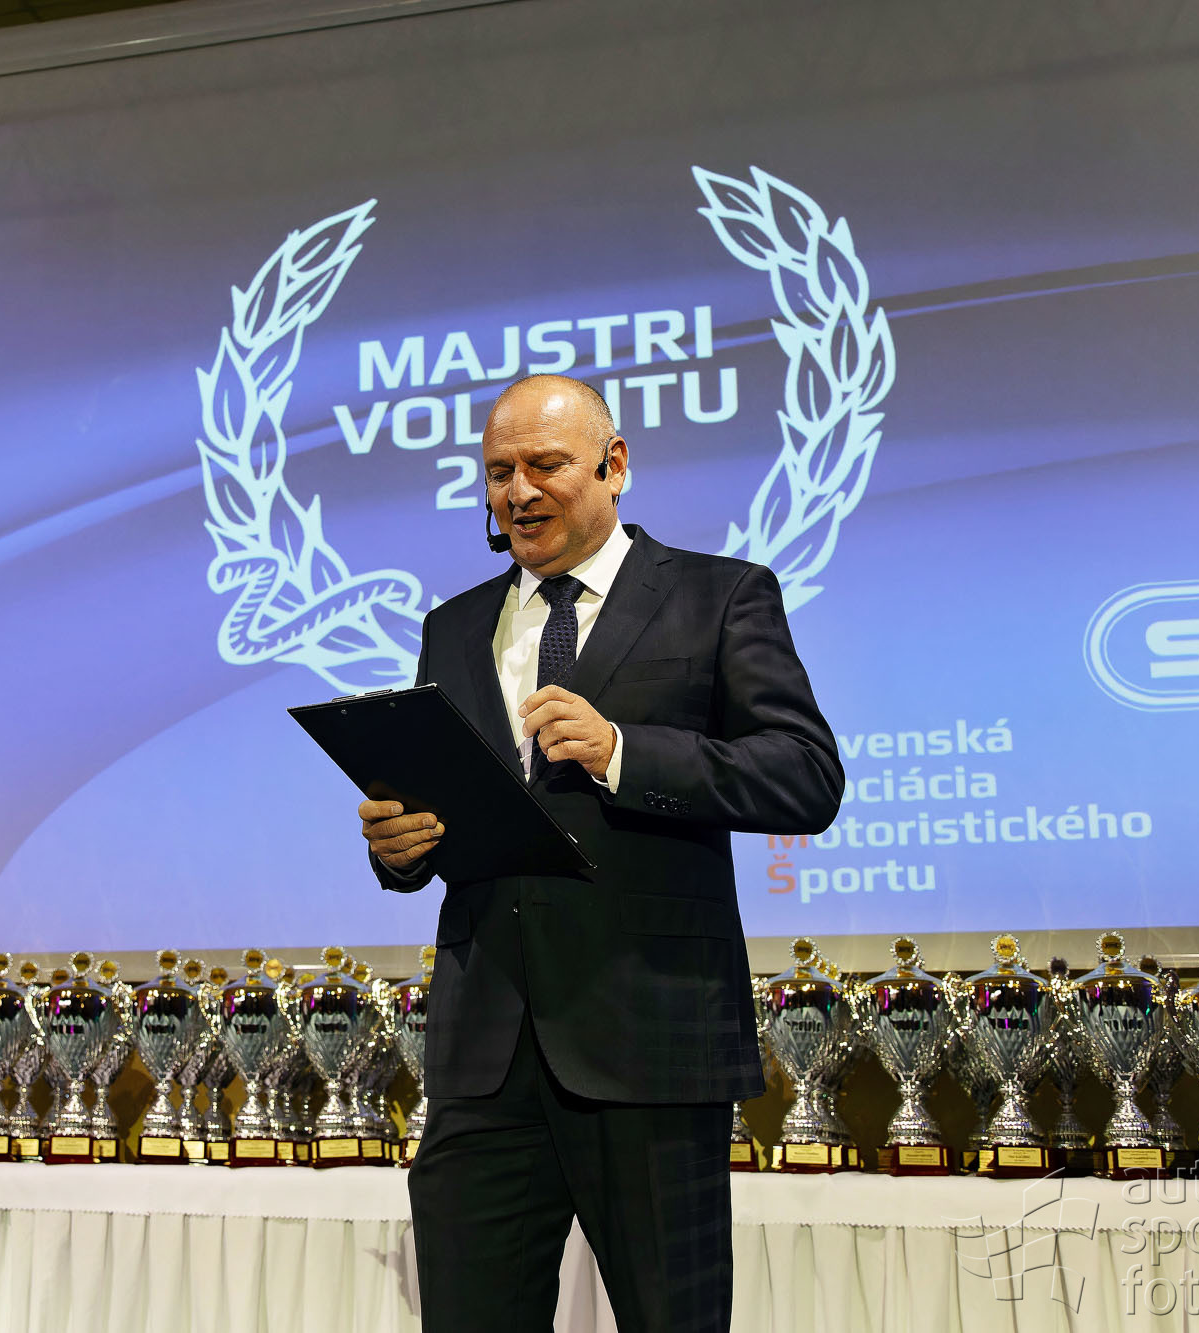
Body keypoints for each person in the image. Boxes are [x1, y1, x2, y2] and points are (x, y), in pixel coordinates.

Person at [360, 374, 842, 1333]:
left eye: (544, 464)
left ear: (614, 465)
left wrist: (624, 751)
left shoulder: (720, 594)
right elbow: (450, 808)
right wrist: (400, 846)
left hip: (650, 1043)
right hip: (484, 1056)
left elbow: (805, 775)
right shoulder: (453, 626)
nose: (518, 492)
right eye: (499, 472)